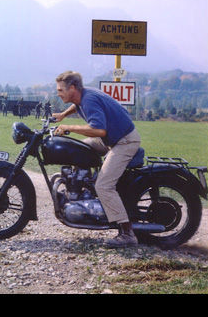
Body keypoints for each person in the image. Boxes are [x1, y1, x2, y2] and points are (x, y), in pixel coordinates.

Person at [52, 71, 141, 248]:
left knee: (104, 185)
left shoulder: (89, 100)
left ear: (72, 88)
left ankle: (127, 233)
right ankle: (85, 186)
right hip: (111, 139)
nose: (58, 93)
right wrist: (63, 115)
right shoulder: (82, 96)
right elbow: (76, 105)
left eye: (60, 90)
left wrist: (70, 127)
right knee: (77, 150)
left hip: (124, 141)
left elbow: (100, 130)